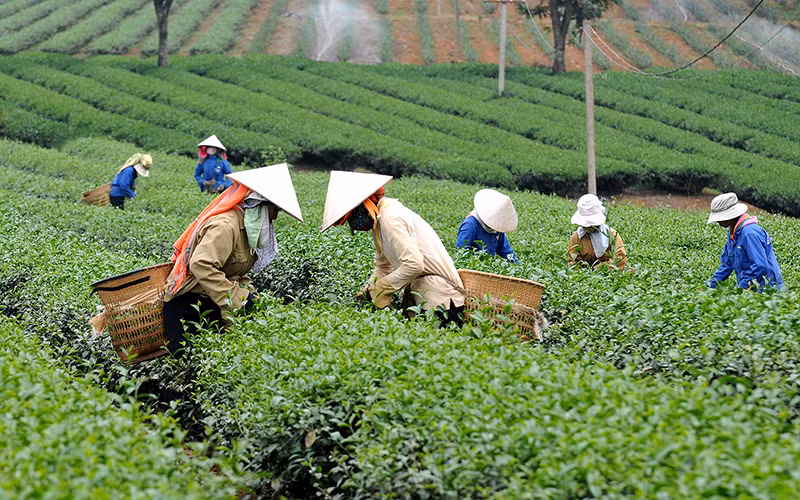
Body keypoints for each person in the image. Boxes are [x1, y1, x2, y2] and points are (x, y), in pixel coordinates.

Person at [163, 163, 303, 356]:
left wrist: (251, 295)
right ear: (259, 204)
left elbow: (237, 272)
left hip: (212, 299)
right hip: (189, 306)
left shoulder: (245, 228)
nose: (275, 217)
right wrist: (235, 298)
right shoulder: (225, 226)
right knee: (189, 362)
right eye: (275, 210)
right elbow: (201, 264)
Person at [321, 171, 465, 326]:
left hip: (441, 301)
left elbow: (414, 264)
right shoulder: (379, 223)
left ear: (366, 204)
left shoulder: (390, 218)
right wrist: (369, 288)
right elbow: (383, 266)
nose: (354, 224)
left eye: (353, 216)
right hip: (423, 296)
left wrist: (384, 287)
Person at [706, 192, 782, 291]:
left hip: (767, 290)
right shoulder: (733, 233)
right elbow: (726, 265)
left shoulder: (749, 233)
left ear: (730, 215)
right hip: (749, 289)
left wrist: (740, 289)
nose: (717, 221)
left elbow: (760, 266)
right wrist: (709, 286)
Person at [567, 194, 627, 271]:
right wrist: (582, 273)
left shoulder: (611, 235)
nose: (588, 227)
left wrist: (599, 269)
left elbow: (620, 259)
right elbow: (573, 263)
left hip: (608, 274)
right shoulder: (576, 238)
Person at [456, 189, 518, 262]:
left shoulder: (497, 228)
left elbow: (506, 251)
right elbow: (461, 252)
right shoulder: (470, 225)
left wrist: (517, 264)